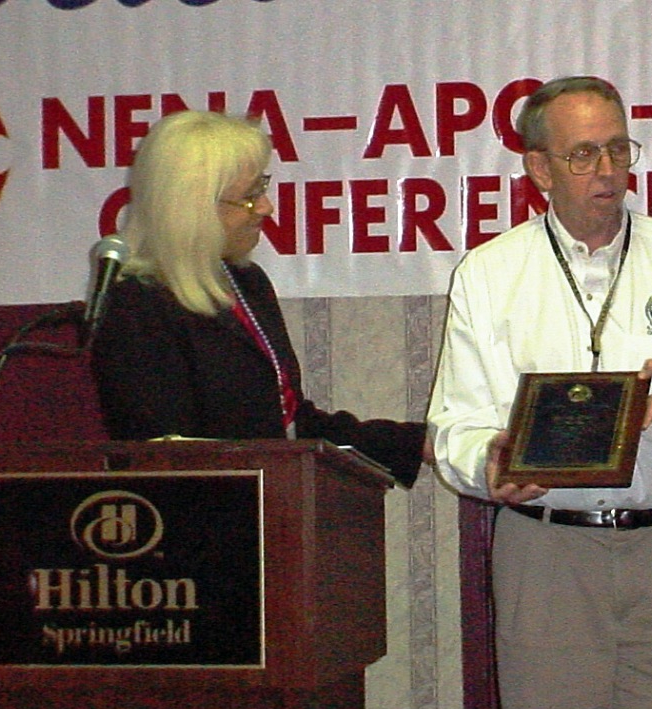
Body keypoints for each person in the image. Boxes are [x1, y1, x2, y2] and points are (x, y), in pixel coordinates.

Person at [427, 76, 652, 709]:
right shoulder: (490, 273)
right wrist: (490, 463)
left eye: (618, 149)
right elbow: (455, 427)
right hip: (546, 551)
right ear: (539, 168)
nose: (606, 170)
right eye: (583, 154)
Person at [91, 110, 426, 485]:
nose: (266, 207)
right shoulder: (135, 306)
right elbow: (167, 456)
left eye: (262, 188)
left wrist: (420, 442)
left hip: (275, 511)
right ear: (193, 207)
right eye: (250, 196)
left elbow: (290, 424)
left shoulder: (246, 283)